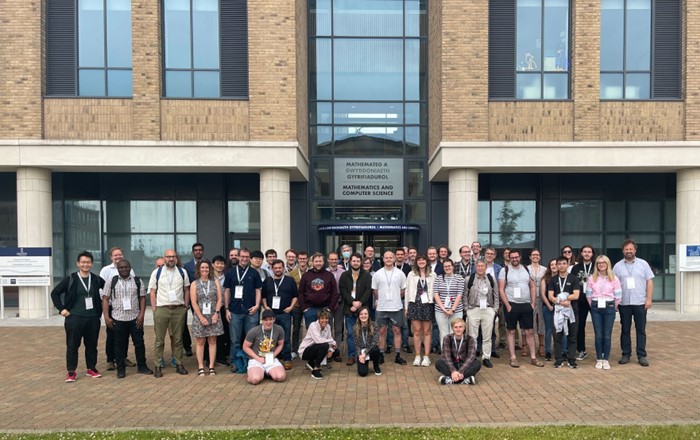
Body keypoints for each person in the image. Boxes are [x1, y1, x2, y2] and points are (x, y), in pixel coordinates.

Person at [51, 251, 106, 382]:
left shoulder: (97, 279)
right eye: (83, 262)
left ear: (92, 264)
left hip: (93, 318)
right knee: (72, 345)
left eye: (88, 262)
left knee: (92, 345)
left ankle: (91, 368)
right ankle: (71, 371)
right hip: (74, 317)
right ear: (78, 264)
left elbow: (109, 291)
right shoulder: (70, 279)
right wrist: (61, 309)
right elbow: (55, 293)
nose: (85, 264)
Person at [102, 259, 152, 378]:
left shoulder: (137, 281)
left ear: (130, 268)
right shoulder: (111, 281)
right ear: (118, 269)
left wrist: (141, 315)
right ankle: (120, 369)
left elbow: (142, 298)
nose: (124, 269)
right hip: (117, 319)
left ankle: (142, 366)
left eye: (126, 267)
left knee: (139, 343)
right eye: (121, 268)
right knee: (119, 344)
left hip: (135, 318)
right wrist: (106, 317)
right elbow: (105, 299)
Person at [498, 249, 544, 368]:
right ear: (509, 258)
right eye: (512, 257)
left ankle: (533, 357)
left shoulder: (526, 269)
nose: (514, 259)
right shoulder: (504, 270)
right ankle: (513, 357)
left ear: (520, 257)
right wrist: (507, 305)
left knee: (529, 331)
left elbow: (533, 287)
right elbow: (501, 289)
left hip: (526, 305)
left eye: (516, 257)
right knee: (511, 331)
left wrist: (533, 303)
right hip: (511, 305)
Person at [148, 249, 190, 377]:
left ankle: (178, 364)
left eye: (173, 256)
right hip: (162, 309)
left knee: (178, 339)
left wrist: (185, 305)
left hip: (178, 309)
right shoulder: (157, 272)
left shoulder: (182, 272)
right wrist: (155, 308)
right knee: (159, 340)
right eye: (168, 257)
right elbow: (152, 291)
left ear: (176, 258)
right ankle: (158, 365)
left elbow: (186, 289)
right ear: (164, 258)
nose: (171, 259)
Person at [613, 239, 654, 367]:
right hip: (624, 303)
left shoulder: (643, 264)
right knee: (625, 330)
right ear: (623, 251)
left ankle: (641, 355)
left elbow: (649, 282)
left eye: (631, 249)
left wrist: (649, 299)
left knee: (640, 330)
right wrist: (616, 302)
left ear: (635, 250)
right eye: (626, 249)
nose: (629, 251)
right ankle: (626, 354)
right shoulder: (617, 266)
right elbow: (613, 285)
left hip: (640, 302)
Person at [224, 248, 262, 373]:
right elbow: (227, 291)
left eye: (247, 257)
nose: (244, 259)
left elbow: (258, 291)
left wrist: (257, 305)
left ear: (249, 258)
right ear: (238, 257)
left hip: (250, 311)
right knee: (234, 340)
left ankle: (251, 361)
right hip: (234, 311)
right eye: (242, 256)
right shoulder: (230, 273)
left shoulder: (254, 273)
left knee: (251, 339)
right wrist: (227, 309)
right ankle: (235, 362)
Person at [99, 247, 136, 371]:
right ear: (111, 257)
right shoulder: (106, 270)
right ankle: (110, 360)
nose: (118, 257)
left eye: (120, 254)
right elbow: (101, 289)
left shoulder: (129, 268)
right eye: (115, 255)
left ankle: (123, 357)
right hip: (111, 307)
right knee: (111, 334)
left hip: (127, 308)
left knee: (124, 334)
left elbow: (134, 285)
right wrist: (107, 307)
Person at [372, 251, 408, 366]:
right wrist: (382, 299)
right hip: (382, 307)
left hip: (396, 307)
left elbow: (403, 290)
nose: (388, 259)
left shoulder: (400, 273)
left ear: (394, 259)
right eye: (386, 257)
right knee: (381, 331)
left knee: (397, 330)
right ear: (383, 259)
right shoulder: (377, 274)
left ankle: (397, 355)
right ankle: (381, 355)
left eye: (390, 257)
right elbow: (375, 290)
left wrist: (396, 298)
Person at [261, 258, 298, 370]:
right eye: (275, 268)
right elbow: (263, 297)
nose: (277, 269)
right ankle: (270, 358)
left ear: (283, 268)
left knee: (286, 337)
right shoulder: (267, 281)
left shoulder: (290, 280)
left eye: (280, 267)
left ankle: (287, 359)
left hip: (285, 313)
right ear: (272, 269)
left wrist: (291, 307)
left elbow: (295, 296)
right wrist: (266, 307)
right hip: (271, 315)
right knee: (269, 337)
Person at [587, 255, 621, 370]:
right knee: (598, 335)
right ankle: (599, 359)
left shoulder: (614, 278)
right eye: (599, 263)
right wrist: (593, 305)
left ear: (608, 264)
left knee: (607, 335)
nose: (601, 265)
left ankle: (605, 359)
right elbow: (588, 295)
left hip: (609, 306)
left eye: (603, 263)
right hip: (596, 306)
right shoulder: (592, 278)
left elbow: (618, 296)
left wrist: (614, 306)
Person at [190, 260, 224, 376]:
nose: (205, 270)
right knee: (200, 341)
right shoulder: (194, 284)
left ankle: (211, 366)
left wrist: (216, 313)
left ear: (210, 269)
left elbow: (220, 299)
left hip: (213, 315)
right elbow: (193, 302)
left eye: (207, 268)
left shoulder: (215, 281)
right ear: (199, 269)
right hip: (200, 316)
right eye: (202, 268)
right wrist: (201, 317)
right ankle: (200, 366)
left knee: (212, 340)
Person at [339, 253, 373, 366]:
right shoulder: (344, 275)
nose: (356, 263)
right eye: (354, 261)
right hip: (349, 309)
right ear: (350, 262)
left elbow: (368, 291)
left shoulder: (367, 276)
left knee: (364, 333)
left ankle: (362, 354)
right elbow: (343, 290)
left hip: (363, 310)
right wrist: (352, 302)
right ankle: (351, 355)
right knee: (350, 333)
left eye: (358, 261)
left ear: (361, 262)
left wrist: (359, 303)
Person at [547, 256, 581, 369]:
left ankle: (571, 360)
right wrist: (561, 302)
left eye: (564, 263)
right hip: (558, 312)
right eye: (559, 264)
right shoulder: (553, 280)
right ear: (556, 266)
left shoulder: (574, 279)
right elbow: (550, 296)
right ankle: (559, 359)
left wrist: (566, 298)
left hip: (572, 311)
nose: (561, 265)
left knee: (572, 336)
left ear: (568, 264)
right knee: (557, 336)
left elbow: (576, 295)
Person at [465, 259, 499, 368]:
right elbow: (465, 295)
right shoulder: (469, 279)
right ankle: (472, 356)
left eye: (482, 266)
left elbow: (496, 295)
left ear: (486, 267)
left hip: (488, 309)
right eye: (478, 266)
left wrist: (495, 310)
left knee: (487, 336)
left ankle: (486, 357)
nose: (480, 268)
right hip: (473, 309)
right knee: (472, 336)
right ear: (475, 267)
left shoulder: (491, 279)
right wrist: (467, 309)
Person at [404, 254, 435, 367]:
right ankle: (417, 356)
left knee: (426, 331)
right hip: (414, 304)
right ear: (416, 262)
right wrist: (406, 307)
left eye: (423, 260)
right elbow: (407, 291)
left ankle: (426, 356)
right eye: (419, 260)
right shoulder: (411, 274)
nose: (421, 262)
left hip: (427, 305)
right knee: (416, 331)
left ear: (427, 262)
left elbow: (435, 291)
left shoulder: (432, 274)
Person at [242, 309, 286, 384]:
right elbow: (245, 347)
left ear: (274, 319)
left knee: (280, 377)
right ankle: (256, 373)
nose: (268, 322)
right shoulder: (254, 331)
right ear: (262, 320)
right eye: (265, 320)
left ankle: (266, 372)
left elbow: (281, 344)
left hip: (271, 359)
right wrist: (257, 358)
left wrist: (274, 355)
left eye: (270, 319)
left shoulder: (279, 329)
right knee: (255, 380)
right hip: (256, 359)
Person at [435, 318, 481, 385]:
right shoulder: (447, 338)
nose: (458, 329)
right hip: (452, 364)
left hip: (464, 365)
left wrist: (461, 371)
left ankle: (450, 379)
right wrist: (453, 371)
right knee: (439, 363)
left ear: (464, 328)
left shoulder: (470, 339)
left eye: (460, 327)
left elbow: (471, 357)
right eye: (455, 327)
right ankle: (465, 379)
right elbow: (447, 357)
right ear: (452, 328)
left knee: (477, 363)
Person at [298, 253, 339, 327]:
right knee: (312, 335)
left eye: (320, 261)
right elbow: (300, 292)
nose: (318, 263)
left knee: (325, 333)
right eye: (316, 261)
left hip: (325, 309)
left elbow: (334, 293)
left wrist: (330, 308)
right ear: (312, 262)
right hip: (310, 310)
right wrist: (304, 308)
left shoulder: (329, 275)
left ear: (323, 262)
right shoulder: (306, 275)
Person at [570, 245, 596, 361]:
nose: (587, 254)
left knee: (598, 326)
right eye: (584, 252)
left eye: (589, 252)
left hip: (595, 300)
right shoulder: (576, 268)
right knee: (580, 326)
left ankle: (600, 351)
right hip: (580, 301)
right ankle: (581, 350)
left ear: (592, 253)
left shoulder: (597, 266)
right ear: (581, 253)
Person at [433, 259, 464, 351]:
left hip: (456, 311)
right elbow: (435, 294)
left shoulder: (459, 278)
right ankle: (445, 356)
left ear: (453, 266)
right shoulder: (438, 278)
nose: (447, 268)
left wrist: (452, 310)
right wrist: (443, 309)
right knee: (444, 333)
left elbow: (459, 294)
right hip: (440, 311)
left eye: (449, 266)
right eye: (445, 266)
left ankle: (455, 355)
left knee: (455, 333)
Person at [298, 309, 337, 379]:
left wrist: (331, 350)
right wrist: (332, 341)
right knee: (325, 346)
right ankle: (315, 369)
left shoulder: (328, 326)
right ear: (318, 319)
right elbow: (318, 340)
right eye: (322, 318)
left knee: (336, 351)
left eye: (326, 318)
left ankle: (311, 363)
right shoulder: (313, 325)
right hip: (305, 351)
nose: (324, 320)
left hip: (316, 348)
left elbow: (331, 341)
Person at [527, 248, 547, 357]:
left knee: (541, 321)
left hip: (541, 298)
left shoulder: (544, 269)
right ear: (530, 256)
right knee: (529, 321)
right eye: (533, 255)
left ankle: (542, 345)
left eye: (537, 255)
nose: (535, 256)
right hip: (529, 298)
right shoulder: (525, 269)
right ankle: (526, 345)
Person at [326, 251, 346, 362]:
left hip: (340, 303)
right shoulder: (324, 272)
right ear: (328, 260)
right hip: (328, 305)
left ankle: (336, 351)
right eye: (331, 259)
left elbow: (345, 289)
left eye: (335, 259)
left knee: (338, 329)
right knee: (327, 328)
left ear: (338, 260)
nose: (334, 261)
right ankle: (328, 350)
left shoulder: (343, 272)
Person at [212, 255, 230, 366]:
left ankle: (221, 356)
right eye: (217, 263)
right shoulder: (209, 278)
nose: (219, 266)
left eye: (222, 263)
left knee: (223, 333)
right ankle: (210, 357)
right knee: (212, 333)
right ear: (213, 265)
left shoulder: (226, 277)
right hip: (212, 309)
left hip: (224, 307)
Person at [353, 306, 382, 376]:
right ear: (358, 316)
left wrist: (365, 353)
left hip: (371, 349)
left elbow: (375, 341)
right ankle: (365, 363)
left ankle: (376, 366)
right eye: (361, 314)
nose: (363, 316)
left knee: (376, 349)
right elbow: (356, 344)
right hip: (362, 351)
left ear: (368, 315)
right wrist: (360, 355)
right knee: (362, 373)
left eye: (365, 314)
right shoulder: (355, 327)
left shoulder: (374, 325)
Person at [540, 258, 558, 361]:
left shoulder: (563, 278)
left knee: (561, 330)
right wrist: (549, 305)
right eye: (552, 265)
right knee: (548, 329)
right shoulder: (545, 279)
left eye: (556, 264)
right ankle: (547, 351)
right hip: (548, 307)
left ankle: (562, 351)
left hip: (560, 308)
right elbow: (543, 294)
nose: (554, 266)